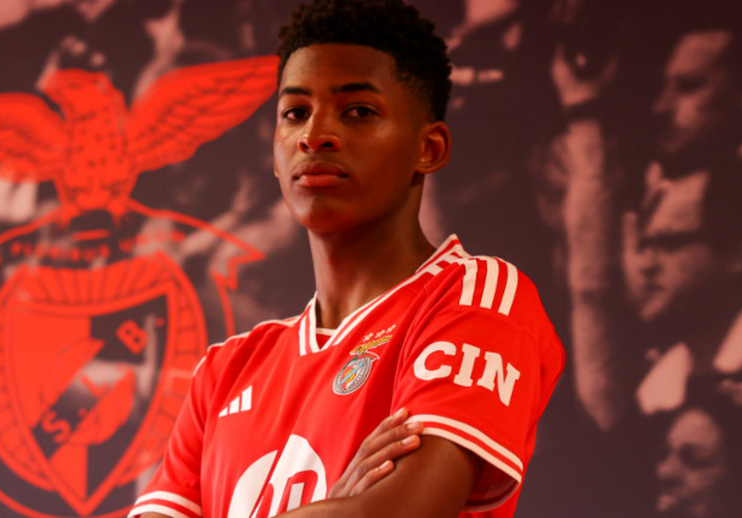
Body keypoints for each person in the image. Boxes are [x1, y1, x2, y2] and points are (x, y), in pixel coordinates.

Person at [128, 1, 565, 517]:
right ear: (274, 154)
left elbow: (400, 513)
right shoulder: (223, 372)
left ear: (429, 148)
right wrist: (335, 505)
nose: (315, 135)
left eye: (358, 111)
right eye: (295, 113)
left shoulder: (477, 298)